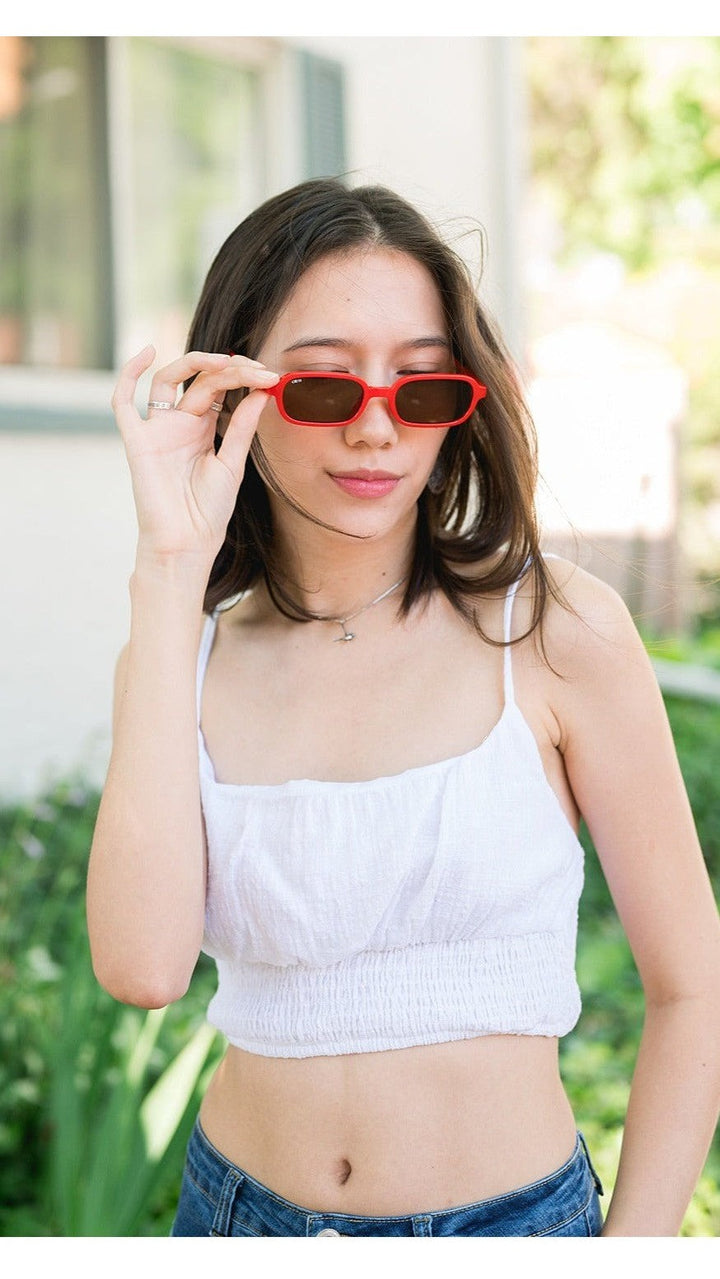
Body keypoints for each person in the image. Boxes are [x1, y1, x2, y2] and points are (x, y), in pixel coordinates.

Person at [87, 178, 720, 1238]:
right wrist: (167, 566)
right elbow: (143, 969)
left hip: (513, 1231)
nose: (378, 429)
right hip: (236, 1221)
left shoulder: (558, 631)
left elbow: (695, 989)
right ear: (237, 394)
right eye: (325, 388)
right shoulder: (178, 655)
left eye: (422, 391)